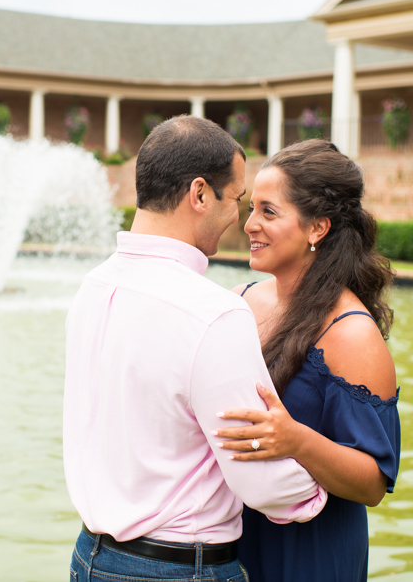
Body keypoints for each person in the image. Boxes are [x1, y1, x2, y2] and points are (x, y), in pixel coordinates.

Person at [63, 116, 328, 581]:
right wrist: (324, 486)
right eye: (237, 200)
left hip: (89, 558)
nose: (240, 221)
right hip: (177, 568)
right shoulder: (213, 312)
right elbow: (259, 478)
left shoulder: (91, 287)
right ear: (200, 194)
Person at [213, 139, 401, 582]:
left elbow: (373, 482)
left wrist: (296, 440)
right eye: (251, 207)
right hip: (234, 540)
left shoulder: (352, 334)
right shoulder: (240, 301)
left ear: (318, 228)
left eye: (269, 212)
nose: (250, 225)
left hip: (311, 556)